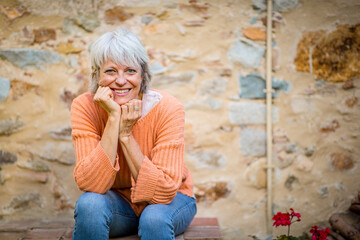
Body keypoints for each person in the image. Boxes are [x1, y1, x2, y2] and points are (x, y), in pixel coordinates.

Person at [70, 27, 196, 240]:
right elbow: (91, 184)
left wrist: (126, 136)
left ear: (142, 74)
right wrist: (113, 119)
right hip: (120, 205)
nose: (120, 81)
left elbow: (164, 191)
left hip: (172, 201)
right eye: (110, 71)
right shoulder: (84, 107)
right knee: (89, 204)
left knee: (153, 219)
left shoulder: (168, 108)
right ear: (97, 75)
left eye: (130, 71)